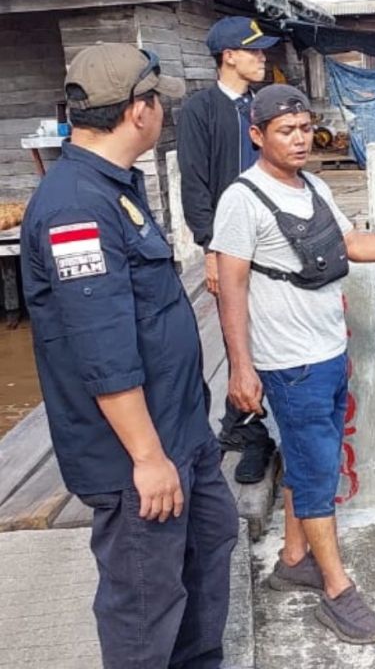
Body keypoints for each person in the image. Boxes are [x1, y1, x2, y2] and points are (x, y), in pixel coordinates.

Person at [210, 85, 375, 644]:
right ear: (257, 136)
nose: (299, 140)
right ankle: (338, 590)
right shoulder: (242, 200)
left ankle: (295, 558)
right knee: (318, 473)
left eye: (303, 128)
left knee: (307, 465)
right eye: (285, 131)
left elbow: (352, 245)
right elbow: (229, 288)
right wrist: (240, 368)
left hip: (327, 351)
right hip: (286, 363)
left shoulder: (315, 186)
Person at [21, 44, 238, 668]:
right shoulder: (75, 209)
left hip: (181, 430)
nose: (161, 112)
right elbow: (101, 347)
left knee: (208, 549)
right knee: (145, 602)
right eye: (157, 101)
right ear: (139, 111)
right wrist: (147, 458)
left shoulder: (115, 186)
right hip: (137, 453)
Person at [178, 16, 278, 483]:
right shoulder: (201, 110)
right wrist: (210, 249)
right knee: (240, 338)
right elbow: (195, 186)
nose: (263, 58)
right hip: (228, 244)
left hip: (272, 241)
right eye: (254, 51)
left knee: (274, 332)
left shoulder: (263, 106)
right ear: (228, 56)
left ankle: (251, 423)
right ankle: (251, 433)